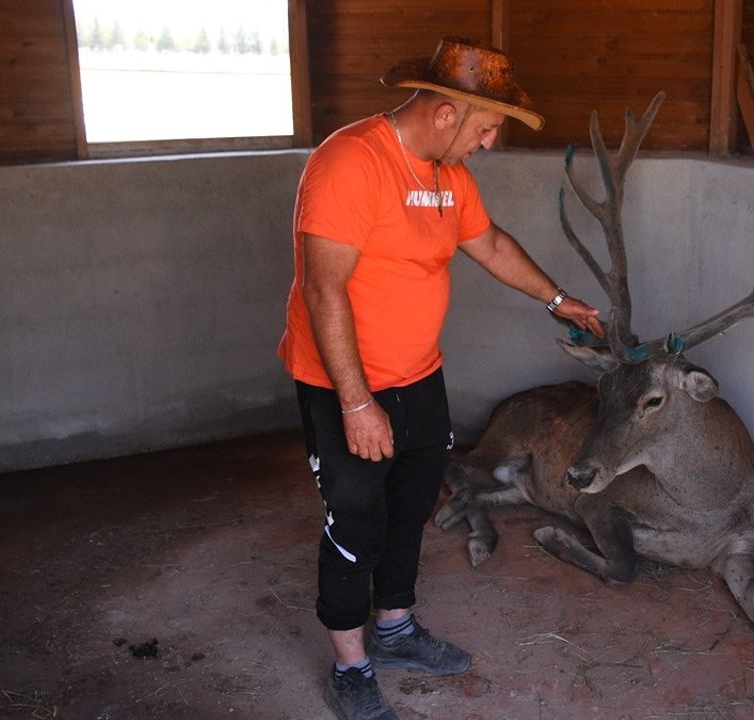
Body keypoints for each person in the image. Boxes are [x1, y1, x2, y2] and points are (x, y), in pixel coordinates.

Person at [277, 37, 604, 720]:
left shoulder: (448, 176)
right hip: (345, 385)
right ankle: (351, 666)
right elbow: (324, 291)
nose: (488, 143)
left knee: (410, 510)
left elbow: (487, 242)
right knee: (354, 520)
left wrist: (555, 298)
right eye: (487, 128)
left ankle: (394, 630)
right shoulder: (351, 162)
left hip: (419, 378)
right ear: (448, 113)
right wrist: (357, 401)